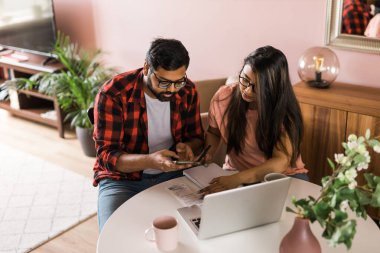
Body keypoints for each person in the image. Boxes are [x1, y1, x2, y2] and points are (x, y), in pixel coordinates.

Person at [93, 38, 204, 231]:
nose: (171, 90)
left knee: (199, 226)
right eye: (163, 82)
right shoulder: (114, 93)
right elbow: (106, 156)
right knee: (115, 233)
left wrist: (188, 148)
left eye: (178, 82)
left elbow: (196, 137)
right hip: (121, 180)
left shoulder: (187, 90)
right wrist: (150, 161)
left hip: (173, 175)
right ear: (146, 68)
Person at [200, 46, 308, 195]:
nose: (247, 91)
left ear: (273, 88)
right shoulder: (223, 97)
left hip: (281, 176)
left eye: (258, 87)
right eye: (244, 80)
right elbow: (214, 132)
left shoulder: (284, 112)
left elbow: (280, 162)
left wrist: (237, 179)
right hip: (236, 173)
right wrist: (208, 153)